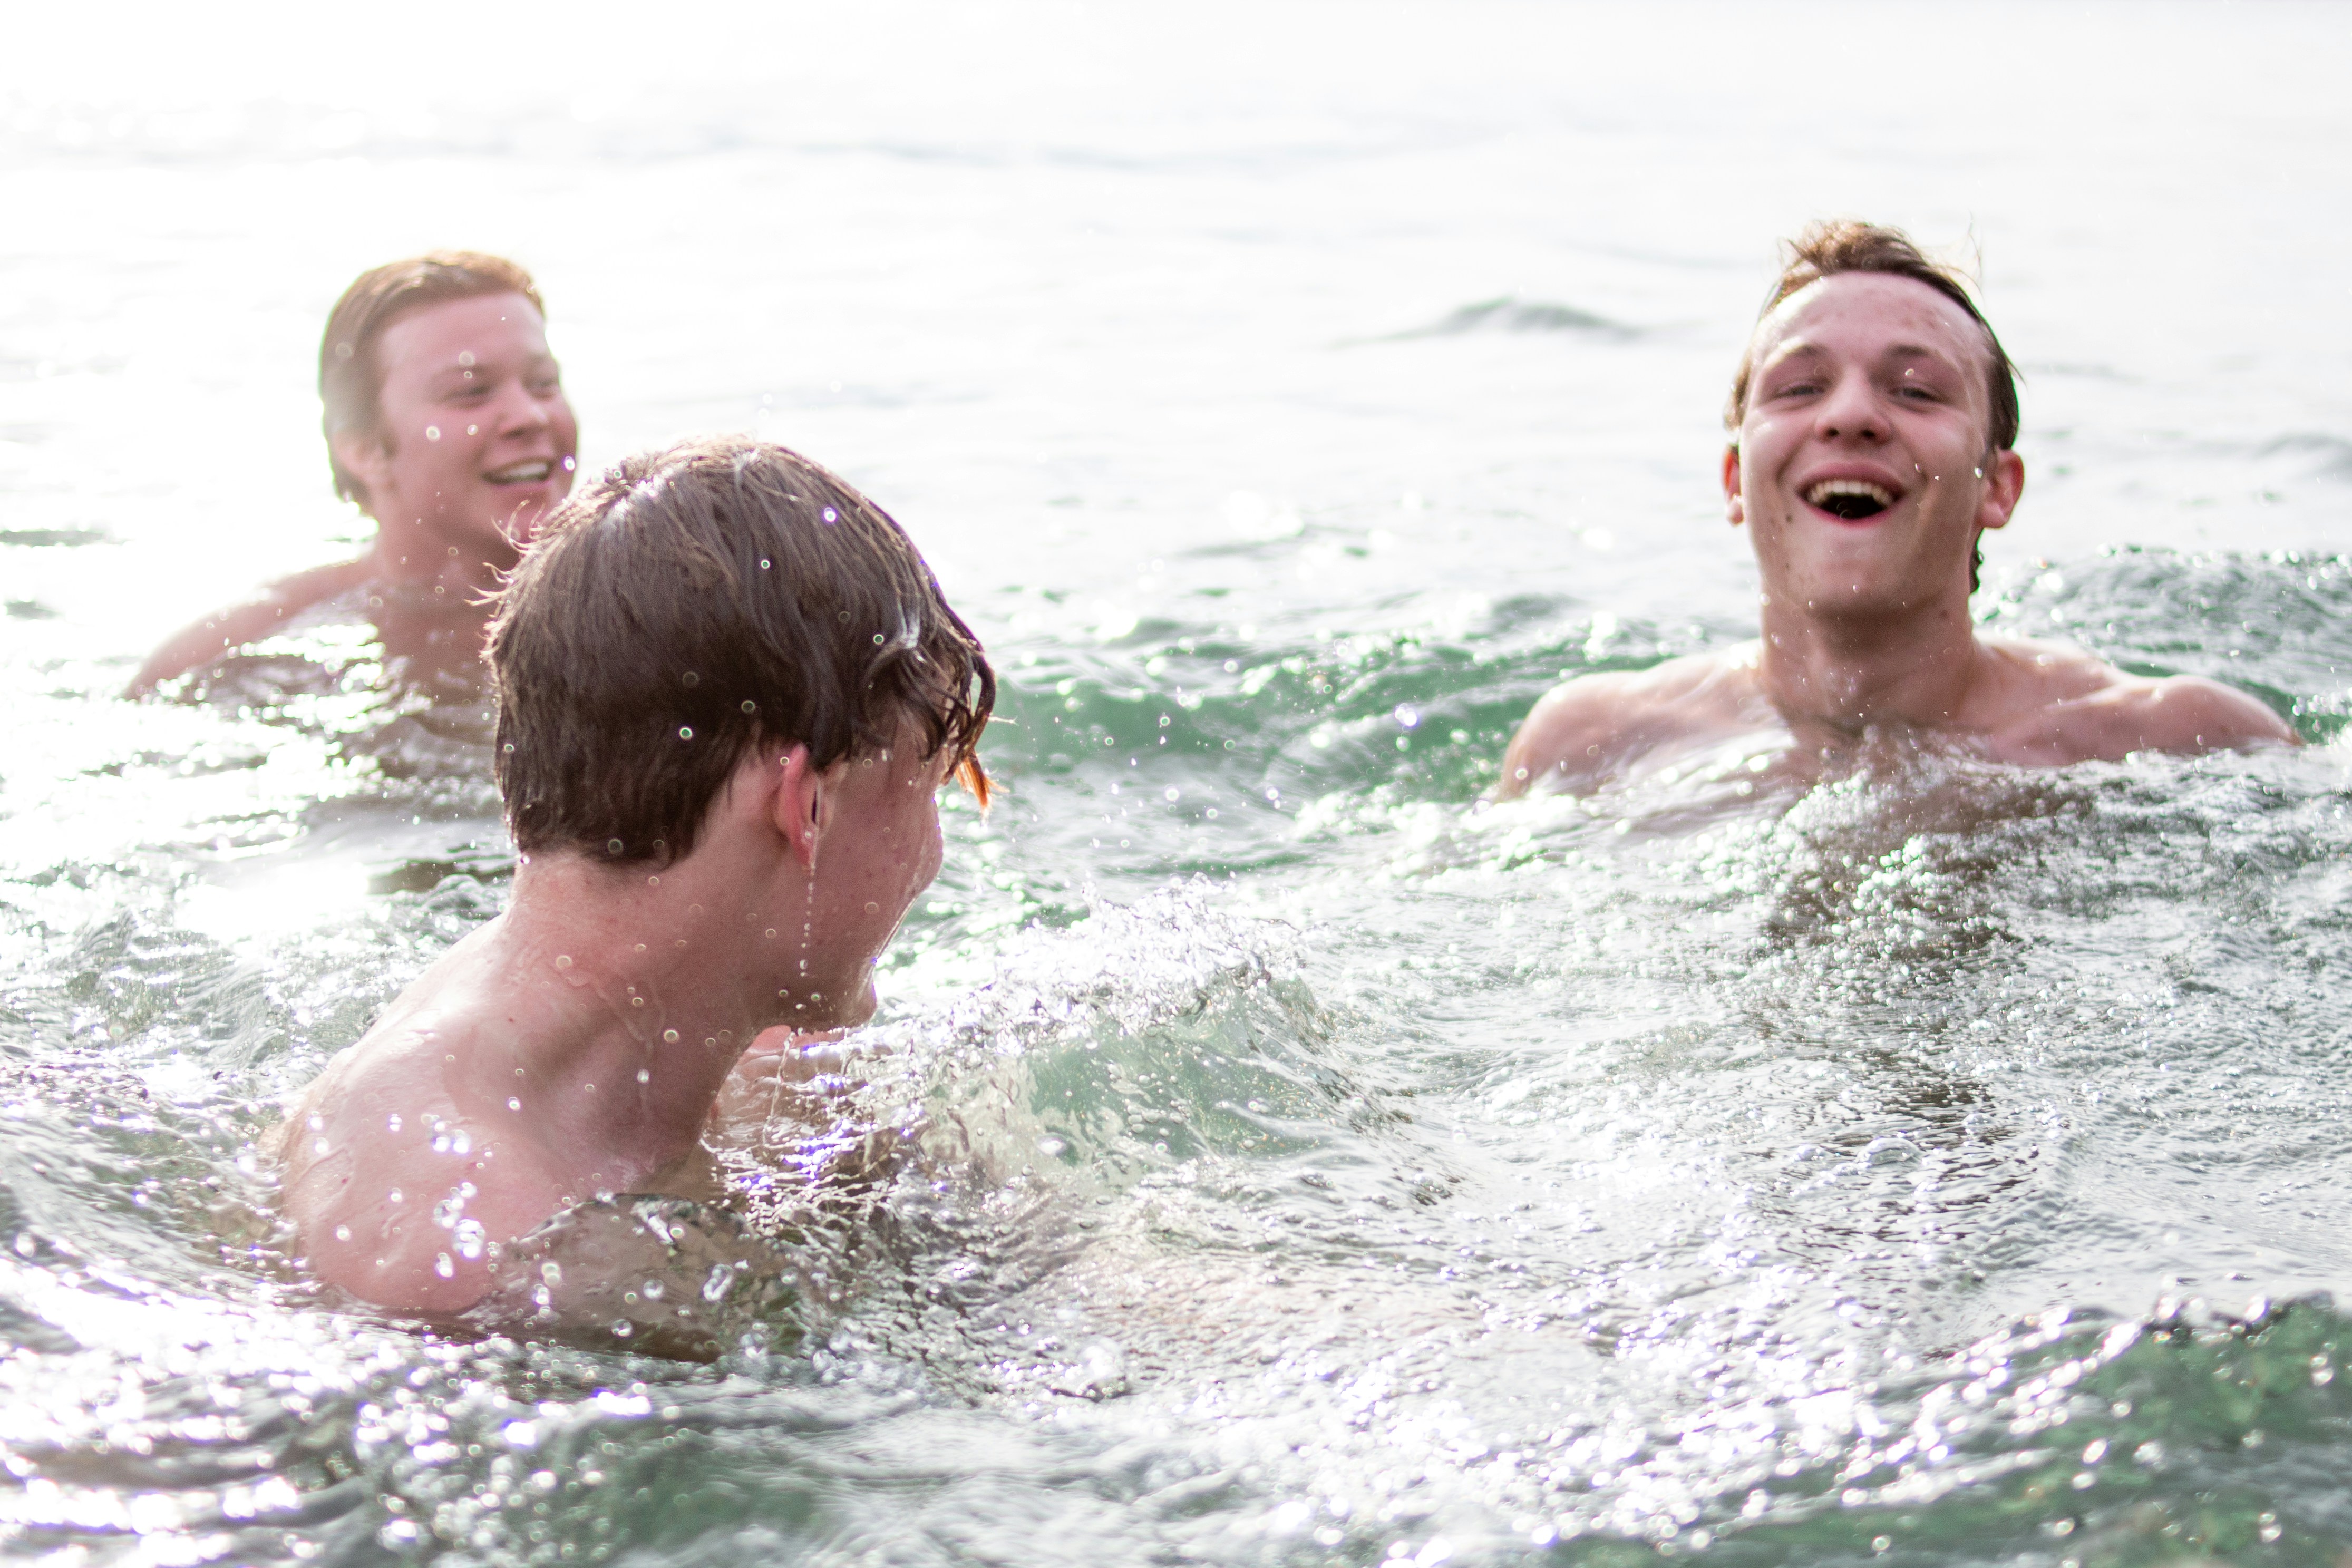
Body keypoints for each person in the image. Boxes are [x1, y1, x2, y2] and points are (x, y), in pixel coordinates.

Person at [273, 435, 994, 1317]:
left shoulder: (735, 1045)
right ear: (805, 803)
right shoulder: (462, 1251)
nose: (932, 856)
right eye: (922, 788)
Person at [1497, 221, 2293, 799]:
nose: (1849, 415)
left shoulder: (2183, 742)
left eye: (1914, 389)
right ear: (1736, 478)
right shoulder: (1589, 746)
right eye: (1799, 387)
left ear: (1997, 486)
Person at [126, 251, 578, 696]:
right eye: (471, 391)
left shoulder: (640, 606)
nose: (530, 416)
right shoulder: (246, 646)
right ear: (364, 449)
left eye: (543, 382)